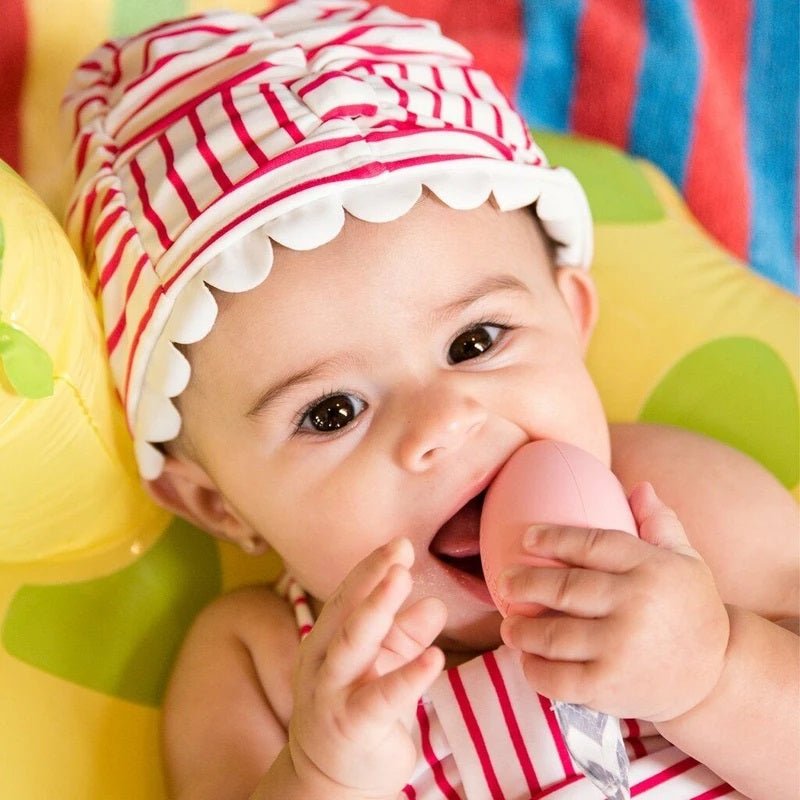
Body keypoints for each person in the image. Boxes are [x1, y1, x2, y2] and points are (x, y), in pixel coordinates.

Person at [62, 2, 798, 799]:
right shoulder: (265, 665)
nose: (441, 424)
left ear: (572, 320)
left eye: (476, 342)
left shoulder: (678, 509)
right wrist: (323, 775)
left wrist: (713, 672)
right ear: (218, 503)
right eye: (331, 412)